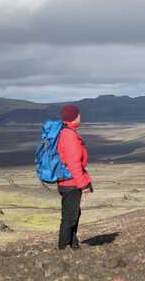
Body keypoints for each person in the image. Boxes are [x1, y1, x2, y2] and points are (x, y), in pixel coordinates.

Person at [57, 105, 93, 250]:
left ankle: (73, 244)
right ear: (73, 117)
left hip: (70, 181)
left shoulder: (68, 132)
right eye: (78, 115)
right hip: (70, 183)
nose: (80, 117)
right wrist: (83, 185)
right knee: (70, 217)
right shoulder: (69, 135)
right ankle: (62, 247)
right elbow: (74, 163)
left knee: (74, 214)